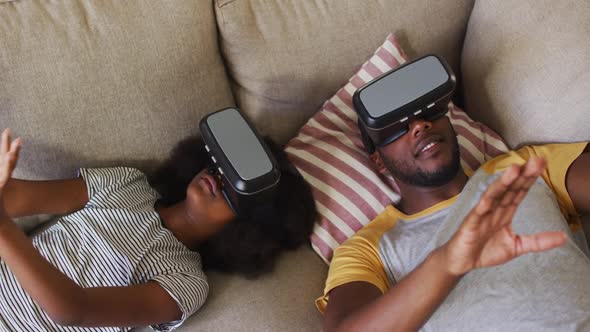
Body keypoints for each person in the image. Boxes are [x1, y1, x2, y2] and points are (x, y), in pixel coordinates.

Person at [0, 128, 316, 331]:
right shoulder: (125, 183)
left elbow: (72, 310)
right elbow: (12, 198)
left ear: (253, 226)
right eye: (224, 163)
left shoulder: (186, 281)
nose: (219, 175)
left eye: (237, 186)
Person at [318, 112, 590, 331]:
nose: (419, 125)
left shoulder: (520, 167)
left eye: (428, 111)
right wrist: (448, 261)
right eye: (396, 126)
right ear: (379, 161)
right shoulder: (367, 248)